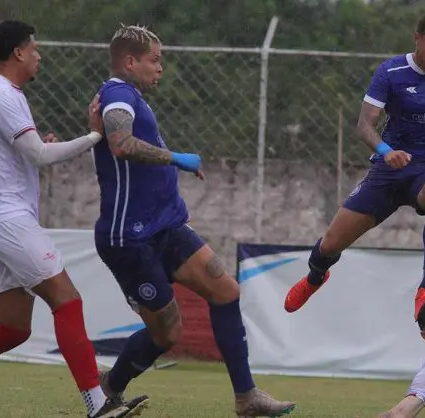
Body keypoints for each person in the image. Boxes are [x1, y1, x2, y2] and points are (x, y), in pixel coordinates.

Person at [92, 24, 296, 417]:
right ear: (130, 61)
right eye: (154, 60)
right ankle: (109, 386)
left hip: (166, 227)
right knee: (167, 334)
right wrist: (176, 158)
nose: (160, 68)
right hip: (131, 238)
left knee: (226, 291)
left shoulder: (130, 96)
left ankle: (247, 397)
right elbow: (120, 143)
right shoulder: (118, 94)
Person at [0, 20, 147, 418]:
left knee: (14, 328)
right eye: (34, 48)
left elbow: (23, 154)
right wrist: (94, 136)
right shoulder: (1, 93)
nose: (39, 56)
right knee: (67, 300)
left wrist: (42, 149)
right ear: (18, 53)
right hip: (6, 216)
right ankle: (97, 404)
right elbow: (38, 155)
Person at [285, 12, 425, 320]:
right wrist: (386, 151)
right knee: (330, 245)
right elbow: (364, 125)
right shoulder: (391, 72)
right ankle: (316, 277)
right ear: (417, 39)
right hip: (390, 170)